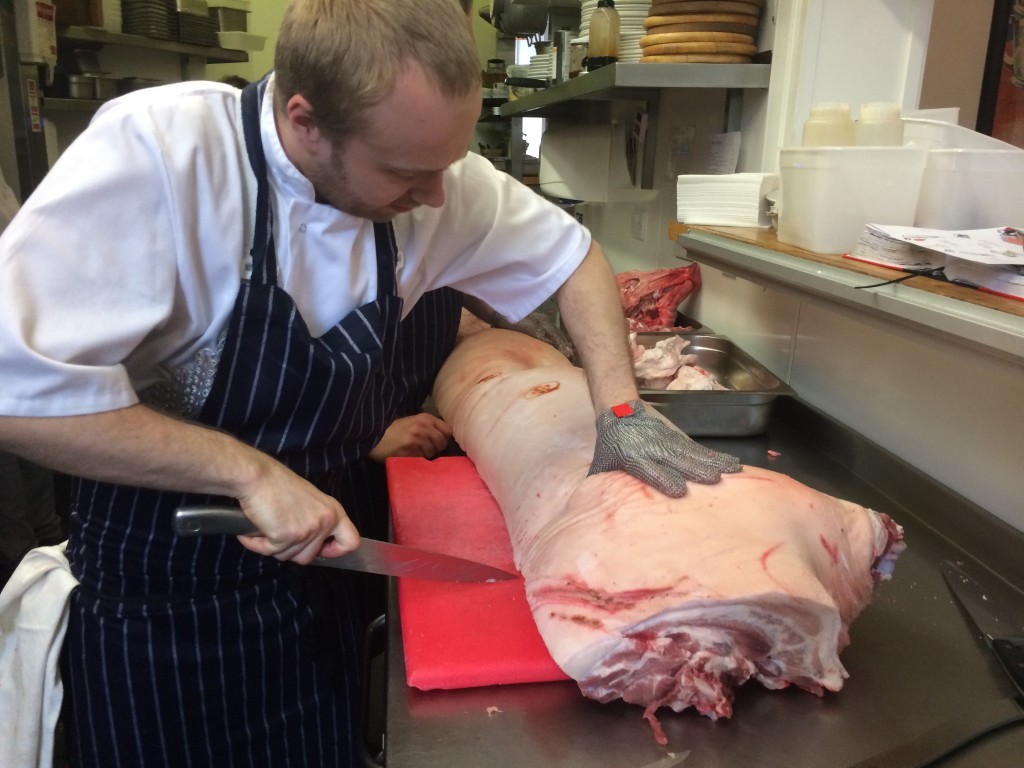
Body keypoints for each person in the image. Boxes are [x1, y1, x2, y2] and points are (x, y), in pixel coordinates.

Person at [0, 0, 739, 765]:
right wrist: (245, 471)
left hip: (321, 574)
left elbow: (572, 259)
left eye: (445, 167)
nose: (437, 199)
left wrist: (620, 406)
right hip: (162, 604)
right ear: (305, 120)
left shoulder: (430, 183)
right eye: (406, 173)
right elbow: (16, 398)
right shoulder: (163, 155)